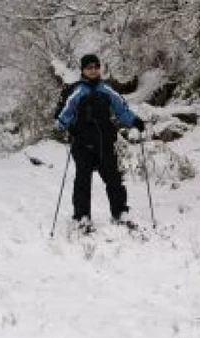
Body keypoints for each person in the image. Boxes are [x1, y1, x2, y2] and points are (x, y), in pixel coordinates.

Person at [54, 54, 145, 233]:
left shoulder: (107, 90)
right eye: (89, 67)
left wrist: (134, 121)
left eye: (96, 67)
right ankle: (82, 216)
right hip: (82, 143)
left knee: (113, 179)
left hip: (105, 142)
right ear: (83, 70)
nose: (93, 70)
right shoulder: (76, 91)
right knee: (83, 180)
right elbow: (64, 115)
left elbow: (121, 110)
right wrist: (63, 125)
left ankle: (120, 213)